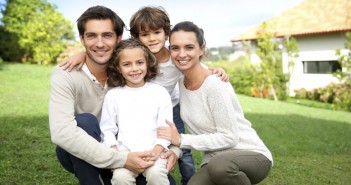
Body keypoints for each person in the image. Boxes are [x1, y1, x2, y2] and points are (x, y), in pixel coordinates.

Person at [49, 6, 180, 185]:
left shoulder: (127, 68)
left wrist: (174, 151)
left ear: (119, 39)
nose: (100, 43)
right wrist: (121, 159)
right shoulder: (65, 74)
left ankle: (110, 176)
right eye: (91, 36)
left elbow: (158, 119)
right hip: (92, 154)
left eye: (107, 35)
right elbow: (62, 133)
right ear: (82, 39)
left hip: (133, 152)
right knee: (85, 121)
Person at [157, 21, 273, 185]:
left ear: (201, 48)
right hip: (213, 160)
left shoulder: (215, 84)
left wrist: (181, 140)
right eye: (175, 48)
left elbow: (230, 138)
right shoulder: (181, 83)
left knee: (221, 167)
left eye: (189, 47)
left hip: (250, 154)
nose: (181, 54)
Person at [100, 38, 172, 185]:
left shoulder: (160, 93)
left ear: (147, 63)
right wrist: (115, 154)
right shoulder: (113, 95)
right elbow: (107, 129)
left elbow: (165, 130)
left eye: (139, 62)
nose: (134, 69)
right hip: (125, 154)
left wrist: (155, 152)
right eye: (127, 64)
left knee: (157, 175)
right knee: (120, 178)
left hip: (155, 152)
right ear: (118, 68)